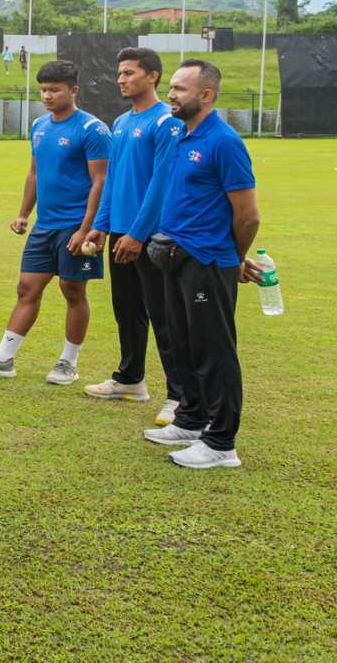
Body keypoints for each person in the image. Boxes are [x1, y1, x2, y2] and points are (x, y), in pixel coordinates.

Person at [141, 59, 263, 470]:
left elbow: (247, 215)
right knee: (182, 343)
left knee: (214, 350)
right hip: (175, 256)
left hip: (208, 259)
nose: (171, 95)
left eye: (180, 89)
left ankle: (221, 443)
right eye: (172, 87)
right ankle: (191, 419)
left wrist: (233, 257)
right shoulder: (179, 134)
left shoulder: (224, 142)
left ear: (206, 95)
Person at [0, 61, 109, 384]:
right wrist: (23, 213)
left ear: (73, 89)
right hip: (45, 225)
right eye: (43, 89)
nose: (47, 95)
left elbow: (100, 181)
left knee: (72, 290)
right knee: (27, 288)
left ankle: (68, 363)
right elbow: (34, 172)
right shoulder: (40, 125)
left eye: (54, 89)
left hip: (75, 225)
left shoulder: (92, 130)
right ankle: (3, 359)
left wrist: (85, 229)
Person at [85, 48, 183, 421]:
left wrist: (139, 234)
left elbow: (160, 184)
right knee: (126, 309)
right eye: (120, 73)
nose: (121, 79)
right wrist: (102, 224)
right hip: (121, 232)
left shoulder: (166, 122)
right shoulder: (122, 122)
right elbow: (113, 179)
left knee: (163, 313)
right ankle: (131, 379)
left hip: (151, 236)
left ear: (153, 76)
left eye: (129, 73)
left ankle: (179, 395)